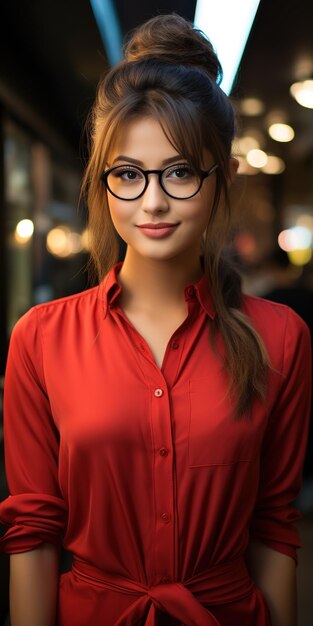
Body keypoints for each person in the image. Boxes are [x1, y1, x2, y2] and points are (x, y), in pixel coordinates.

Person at [0, 13, 311, 626]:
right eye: (128, 174)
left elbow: (275, 523)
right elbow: (33, 531)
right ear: (104, 184)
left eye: (180, 171)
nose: (153, 200)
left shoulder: (281, 337)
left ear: (220, 179)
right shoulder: (40, 338)